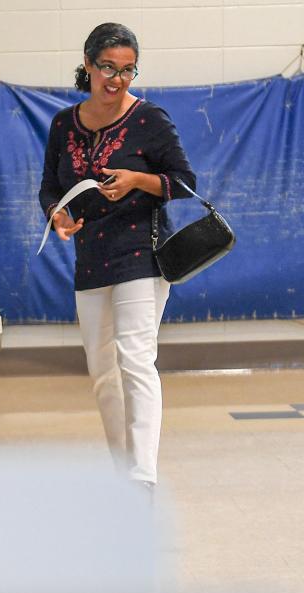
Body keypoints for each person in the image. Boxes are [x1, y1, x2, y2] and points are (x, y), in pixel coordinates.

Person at [38, 22, 196, 494]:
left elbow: (184, 181)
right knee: (102, 371)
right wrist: (58, 215)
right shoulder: (64, 124)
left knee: (135, 360)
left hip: (142, 257)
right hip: (91, 259)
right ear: (87, 64)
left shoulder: (150, 120)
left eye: (128, 70)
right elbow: (49, 187)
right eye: (108, 67)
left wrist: (136, 180)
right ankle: (122, 469)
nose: (118, 79)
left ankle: (143, 474)